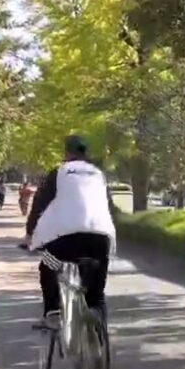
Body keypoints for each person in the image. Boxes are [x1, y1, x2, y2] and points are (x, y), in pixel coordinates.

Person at [25, 136, 116, 329]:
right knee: (98, 272)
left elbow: (39, 203)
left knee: (47, 264)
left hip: (67, 238)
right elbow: (109, 208)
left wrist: (30, 233)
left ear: (67, 153)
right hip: (101, 236)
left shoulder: (59, 172)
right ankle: (96, 308)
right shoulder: (99, 175)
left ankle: (53, 312)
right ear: (86, 153)